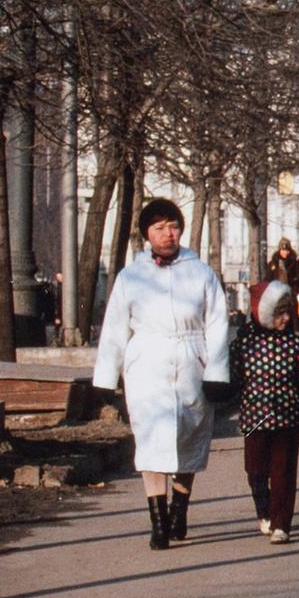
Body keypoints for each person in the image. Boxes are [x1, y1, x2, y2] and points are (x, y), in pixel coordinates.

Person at [92, 198, 232, 551]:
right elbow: (115, 328)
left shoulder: (201, 273)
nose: (167, 235)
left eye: (172, 227)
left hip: (191, 362)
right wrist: (106, 378)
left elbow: (217, 324)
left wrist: (216, 370)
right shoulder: (131, 276)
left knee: (189, 437)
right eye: (158, 229)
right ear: (146, 235)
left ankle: (179, 510)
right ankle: (158, 524)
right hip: (148, 366)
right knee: (151, 440)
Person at [233, 280, 299, 546]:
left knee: (283, 472)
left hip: (287, 420)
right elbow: (232, 378)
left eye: (288, 312)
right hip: (254, 419)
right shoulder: (244, 345)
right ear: (263, 313)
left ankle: (282, 523)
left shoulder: (296, 347)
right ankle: (264, 511)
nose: (285, 319)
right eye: (278, 313)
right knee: (255, 471)